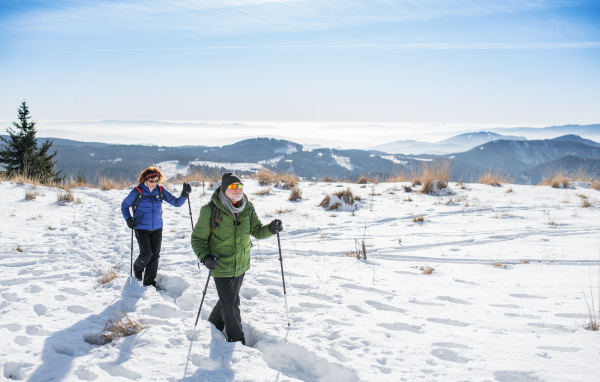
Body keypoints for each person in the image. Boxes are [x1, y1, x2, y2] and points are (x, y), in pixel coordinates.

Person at [191, 172, 283, 345]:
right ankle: (237, 340)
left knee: (228, 300)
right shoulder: (210, 210)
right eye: (233, 187)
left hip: (241, 264)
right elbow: (197, 239)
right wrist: (204, 257)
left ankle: (213, 325)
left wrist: (270, 228)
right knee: (231, 303)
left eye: (240, 186)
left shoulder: (247, 208)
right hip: (220, 264)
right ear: (225, 190)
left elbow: (256, 231)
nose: (237, 190)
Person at [121, 167, 192, 288]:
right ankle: (137, 269)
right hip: (141, 228)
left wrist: (184, 194)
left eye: (156, 180)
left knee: (154, 257)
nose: (154, 183)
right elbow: (124, 206)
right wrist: (128, 219)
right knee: (146, 254)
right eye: (151, 181)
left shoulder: (160, 190)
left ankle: (149, 284)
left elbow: (176, 203)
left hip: (157, 228)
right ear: (145, 180)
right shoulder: (137, 191)